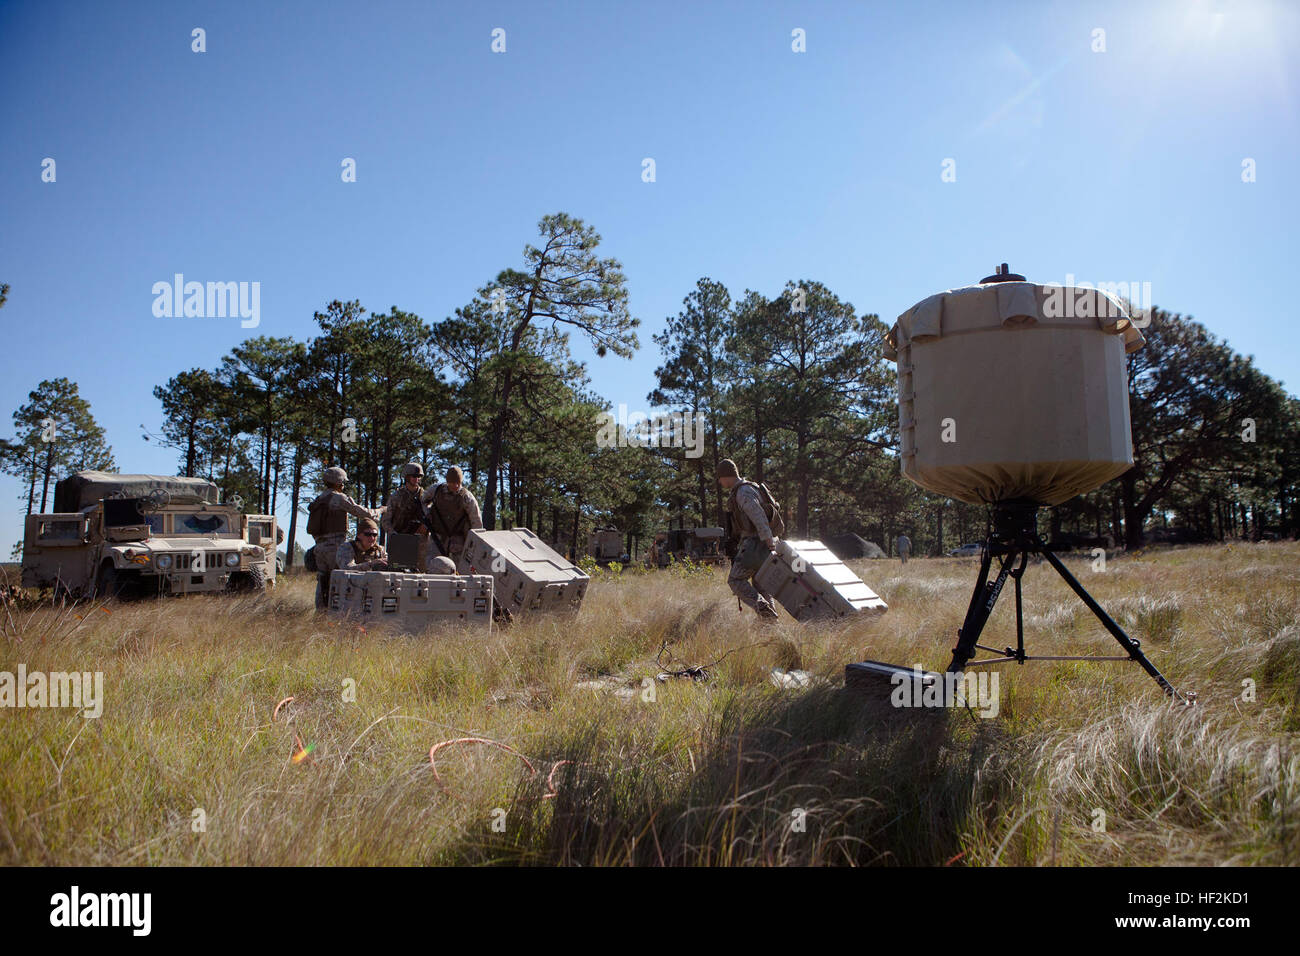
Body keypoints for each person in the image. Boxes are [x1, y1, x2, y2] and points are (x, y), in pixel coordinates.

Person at [307, 466, 384, 610]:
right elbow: (361, 513)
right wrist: (379, 510)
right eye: (343, 482)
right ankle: (339, 613)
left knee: (323, 580)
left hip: (319, 547)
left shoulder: (319, 499)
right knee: (339, 581)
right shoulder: (337, 498)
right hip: (334, 546)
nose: (343, 485)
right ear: (339, 482)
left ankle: (321, 612)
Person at [717, 458, 780, 619]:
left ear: (726, 476)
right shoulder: (751, 488)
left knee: (735, 580)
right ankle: (770, 623)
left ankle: (763, 609)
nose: (720, 482)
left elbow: (758, 517)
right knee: (760, 584)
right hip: (762, 544)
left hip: (756, 545)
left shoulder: (743, 492)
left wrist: (769, 542)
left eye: (720, 478)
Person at [422, 465, 483, 566]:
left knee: (459, 569)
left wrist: (474, 544)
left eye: (458, 483)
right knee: (432, 566)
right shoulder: (436, 490)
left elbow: (476, 521)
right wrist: (428, 514)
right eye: (453, 483)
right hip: (437, 537)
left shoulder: (467, 497)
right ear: (447, 481)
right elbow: (423, 500)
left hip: (457, 540)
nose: (456, 486)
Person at [382, 462, 432, 570]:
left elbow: (432, 517)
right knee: (397, 574)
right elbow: (386, 521)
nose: (416, 479)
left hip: (420, 543)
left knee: (421, 574)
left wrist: (426, 527)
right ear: (407, 477)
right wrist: (394, 535)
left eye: (419, 476)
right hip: (400, 540)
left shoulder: (426, 496)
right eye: (414, 476)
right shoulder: (396, 496)